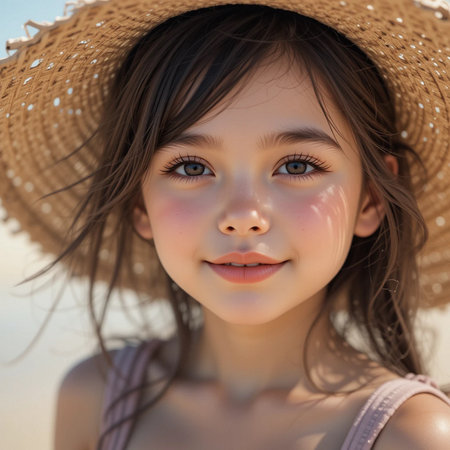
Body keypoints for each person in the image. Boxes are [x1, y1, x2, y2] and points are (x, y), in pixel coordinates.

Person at [0, 1, 449, 449]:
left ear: (370, 198)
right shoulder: (94, 399)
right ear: (139, 202)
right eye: (192, 168)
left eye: (295, 165)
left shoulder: (411, 435)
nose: (243, 218)